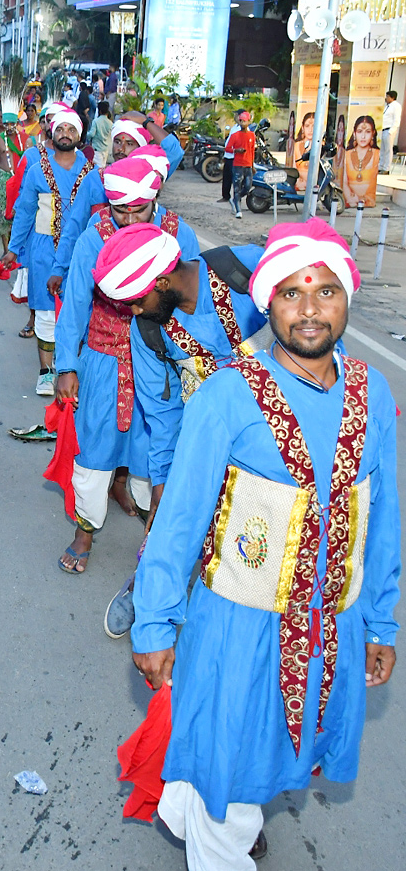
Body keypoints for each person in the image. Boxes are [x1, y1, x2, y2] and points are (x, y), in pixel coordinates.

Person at [131, 218, 400, 870]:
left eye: (326, 291)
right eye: (290, 292)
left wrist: (382, 620)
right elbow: (181, 520)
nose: (309, 310)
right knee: (229, 787)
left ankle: (189, 802)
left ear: (347, 299)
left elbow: (382, 519)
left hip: (330, 625)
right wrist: (154, 625)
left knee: (269, 764)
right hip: (235, 629)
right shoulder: (228, 395)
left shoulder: (374, 392)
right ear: (267, 302)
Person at [96, 226, 267, 638]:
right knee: (173, 517)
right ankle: (149, 586)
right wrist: (161, 483)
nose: (134, 312)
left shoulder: (247, 268)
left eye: (136, 301)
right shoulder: (149, 330)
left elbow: (316, 335)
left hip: (273, 431)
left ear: (162, 281)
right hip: (204, 434)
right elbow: (162, 414)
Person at [50, 151, 198, 573]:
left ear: (155, 200)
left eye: (140, 210)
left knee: (157, 449)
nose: (131, 220)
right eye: (121, 210)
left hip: (161, 357)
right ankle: (84, 533)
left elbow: (193, 298)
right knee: (95, 447)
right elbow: (76, 302)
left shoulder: (179, 233)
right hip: (103, 358)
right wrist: (66, 366)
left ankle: (158, 537)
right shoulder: (94, 236)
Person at [2, 106, 105, 403]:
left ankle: (71, 368)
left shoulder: (93, 175)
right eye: (60, 129)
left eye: (71, 130)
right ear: (52, 132)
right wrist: (13, 249)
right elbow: (24, 212)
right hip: (43, 249)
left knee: (81, 310)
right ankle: (46, 372)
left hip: (82, 253)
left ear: (80, 135)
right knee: (46, 312)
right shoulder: (37, 170)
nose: (65, 134)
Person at [0, 111, 25, 261]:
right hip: (3, 180)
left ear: (17, 124)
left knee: (18, 215)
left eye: (12, 124)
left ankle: (16, 248)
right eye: (6, 123)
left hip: (20, 179)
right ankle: (5, 249)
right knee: (3, 214)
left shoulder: (25, 141)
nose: (9, 127)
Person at [342, 114, 379, 209]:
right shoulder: (347, 154)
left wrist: (361, 199)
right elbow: (344, 181)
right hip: (350, 200)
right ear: (354, 133)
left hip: (368, 202)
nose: (363, 136)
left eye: (367, 132)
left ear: (373, 134)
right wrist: (350, 198)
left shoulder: (376, 154)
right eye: (359, 131)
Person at [226, 111, 256, 218]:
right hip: (238, 165)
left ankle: (235, 200)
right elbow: (227, 148)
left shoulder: (252, 135)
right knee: (237, 187)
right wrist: (236, 150)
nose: (243, 123)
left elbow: (252, 151)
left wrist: (252, 166)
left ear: (248, 122)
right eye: (241, 121)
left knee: (247, 186)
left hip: (248, 165)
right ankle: (238, 210)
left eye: (245, 121)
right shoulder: (235, 135)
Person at [218, 111, 241, 204]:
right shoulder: (234, 127)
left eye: (236, 115)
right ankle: (225, 196)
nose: (234, 116)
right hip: (228, 155)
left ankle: (237, 198)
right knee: (226, 177)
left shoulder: (241, 129)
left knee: (236, 179)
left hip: (235, 157)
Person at [293, 112, 315, 193]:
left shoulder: (321, 146)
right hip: (300, 184)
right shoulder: (297, 145)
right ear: (303, 128)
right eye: (307, 126)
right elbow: (293, 168)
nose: (311, 130)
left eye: (314, 126)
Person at [380, 90, 400, 173]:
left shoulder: (396, 106)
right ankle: (381, 166)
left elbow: (396, 120)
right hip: (383, 129)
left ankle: (386, 168)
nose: (386, 98)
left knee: (388, 149)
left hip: (389, 130)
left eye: (387, 96)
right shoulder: (387, 106)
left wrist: (391, 131)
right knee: (382, 150)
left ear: (392, 97)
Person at [89, 102, 112, 168]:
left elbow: (92, 134)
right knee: (103, 168)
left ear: (99, 111)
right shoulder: (110, 123)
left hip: (97, 149)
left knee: (97, 170)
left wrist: (86, 134)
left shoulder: (96, 121)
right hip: (105, 150)